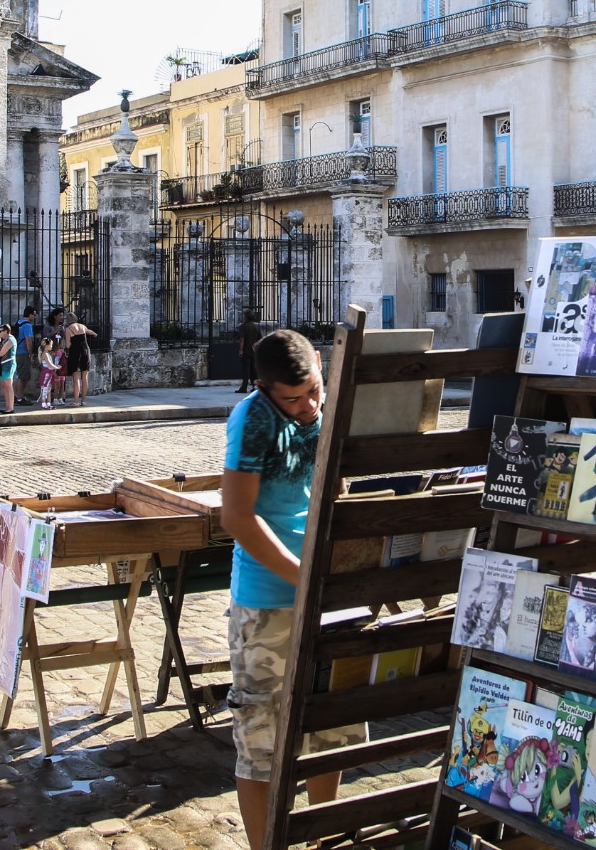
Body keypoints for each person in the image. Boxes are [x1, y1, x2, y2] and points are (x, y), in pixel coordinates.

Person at [218, 330, 368, 850]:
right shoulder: (253, 419)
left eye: (315, 391)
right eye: (293, 399)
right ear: (263, 387)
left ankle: (324, 834)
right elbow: (237, 517)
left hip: (327, 591)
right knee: (263, 738)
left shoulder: (323, 407)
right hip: (268, 597)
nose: (308, 406)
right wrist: (300, 576)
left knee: (332, 729)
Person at [66, 312, 97, 406]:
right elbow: (94, 334)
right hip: (85, 351)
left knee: (76, 378)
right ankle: (83, 401)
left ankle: (75, 401)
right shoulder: (83, 326)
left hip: (75, 352)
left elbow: (68, 345)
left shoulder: (68, 329)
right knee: (85, 378)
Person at [0, 323, 18, 414]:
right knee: (5, 385)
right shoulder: (6, 340)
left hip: (9, 364)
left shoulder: (10, 340)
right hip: (5, 364)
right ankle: (7, 406)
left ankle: (10, 407)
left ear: (6, 331)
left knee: (8, 385)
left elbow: (1, 353)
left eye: (1, 331)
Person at [235, 313, 262, 393]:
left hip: (246, 350)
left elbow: (241, 339)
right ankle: (255, 386)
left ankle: (244, 387)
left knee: (246, 369)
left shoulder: (244, 326)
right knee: (253, 369)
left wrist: (241, 350)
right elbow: (260, 338)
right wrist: (254, 345)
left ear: (246, 317)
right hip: (253, 351)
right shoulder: (255, 326)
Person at [15, 305, 39, 394]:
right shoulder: (27, 326)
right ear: (29, 314)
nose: (35, 317)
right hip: (23, 353)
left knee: (24, 375)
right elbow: (28, 341)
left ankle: (19, 396)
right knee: (23, 376)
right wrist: (30, 354)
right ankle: (19, 397)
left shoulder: (19, 322)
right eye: (34, 315)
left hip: (18, 351)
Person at [37, 335, 62, 409]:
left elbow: (50, 364)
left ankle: (48, 403)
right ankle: (43, 404)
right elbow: (49, 364)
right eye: (51, 345)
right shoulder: (45, 354)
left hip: (49, 374)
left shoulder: (48, 354)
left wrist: (55, 367)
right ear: (47, 345)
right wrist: (56, 367)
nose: (51, 346)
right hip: (46, 374)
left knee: (48, 388)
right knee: (44, 388)